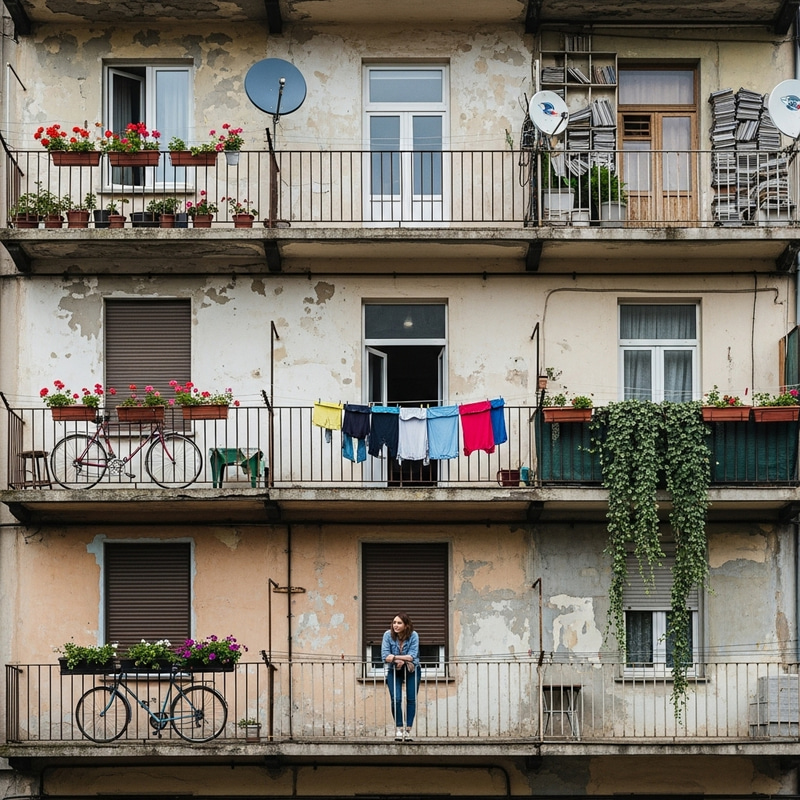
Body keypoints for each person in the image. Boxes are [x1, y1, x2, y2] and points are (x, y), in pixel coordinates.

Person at [381, 613, 421, 742]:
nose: (395, 626)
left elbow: (412, 656)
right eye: (394, 623)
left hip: (412, 669)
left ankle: (408, 731)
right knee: (396, 699)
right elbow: (385, 656)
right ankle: (399, 729)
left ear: (406, 625)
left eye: (399, 623)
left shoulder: (414, 635)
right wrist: (398, 659)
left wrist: (394, 657)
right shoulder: (388, 635)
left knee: (411, 699)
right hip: (394, 669)